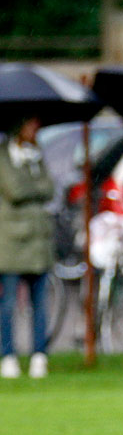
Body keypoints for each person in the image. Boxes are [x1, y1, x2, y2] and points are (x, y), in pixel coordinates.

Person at [0, 116, 54, 379]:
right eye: (30, 124)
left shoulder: (37, 156)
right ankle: (8, 355)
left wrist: (33, 183)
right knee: (8, 303)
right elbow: (15, 190)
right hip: (11, 242)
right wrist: (34, 187)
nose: (35, 129)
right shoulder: (4, 156)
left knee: (39, 304)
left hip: (38, 241)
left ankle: (39, 355)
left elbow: (50, 188)